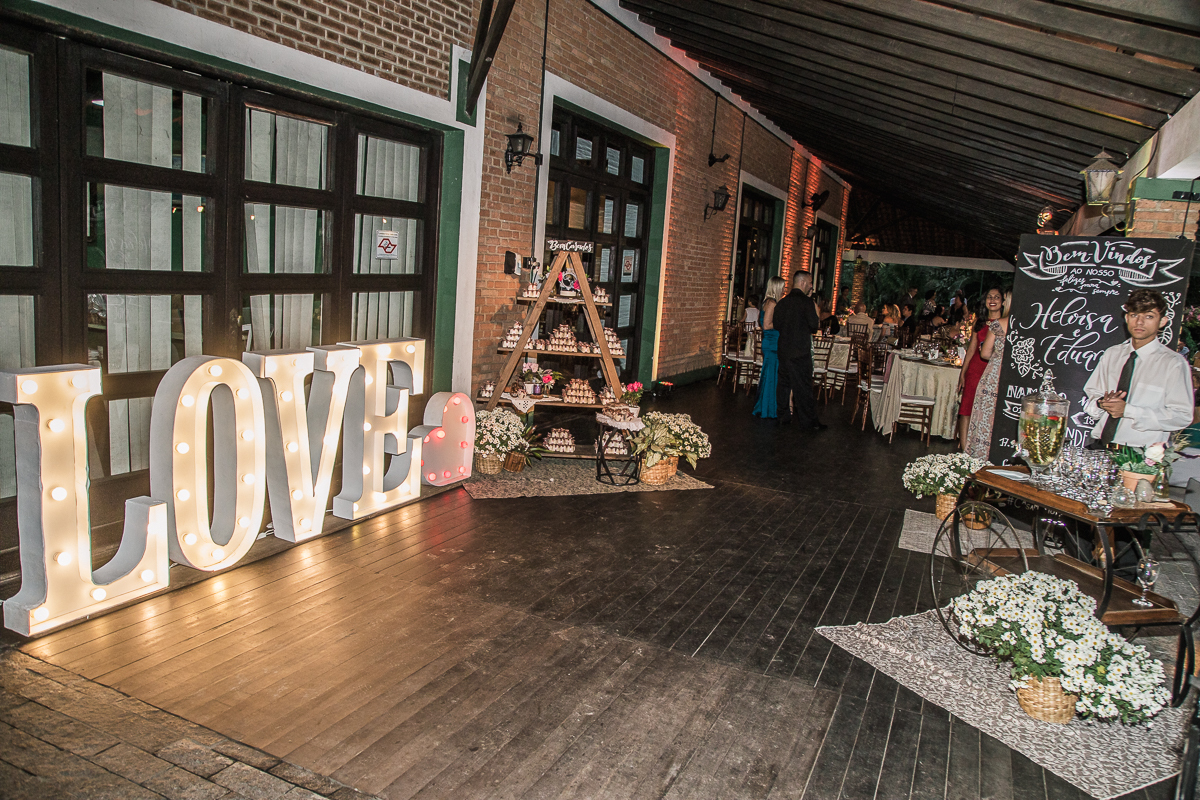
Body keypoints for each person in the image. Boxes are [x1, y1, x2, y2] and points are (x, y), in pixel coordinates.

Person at [1083, 289, 1194, 448]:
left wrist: (1128, 411)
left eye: (1149, 316)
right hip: (1099, 447)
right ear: (1127, 318)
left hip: (1140, 456)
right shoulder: (1112, 354)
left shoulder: (1173, 363)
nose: (1140, 322)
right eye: (1134, 315)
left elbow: (1182, 416)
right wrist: (1102, 403)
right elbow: (1093, 396)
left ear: (1162, 321)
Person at [773, 271, 825, 429]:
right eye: (810, 282)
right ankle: (808, 422)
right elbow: (814, 326)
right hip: (800, 351)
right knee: (803, 387)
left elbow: (777, 325)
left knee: (783, 385)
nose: (811, 286)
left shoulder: (782, 303)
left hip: (784, 350)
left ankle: (783, 416)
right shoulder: (807, 303)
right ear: (802, 283)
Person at [957, 287, 1006, 451]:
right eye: (989, 297)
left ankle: (983, 449)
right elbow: (971, 349)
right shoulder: (979, 322)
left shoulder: (1006, 323)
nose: (993, 300)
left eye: (997, 297)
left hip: (993, 371)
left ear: (1003, 301)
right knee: (966, 409)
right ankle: (965, 450)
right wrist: (962, 374)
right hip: (975, 369)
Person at [966, 290, 1012, 459]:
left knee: (985, 416)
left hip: (994, 374)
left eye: (1004, 299)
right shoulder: (1029, 325)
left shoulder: (998, 325)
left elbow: (984, 354)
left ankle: (979, 457)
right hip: (1012, 376)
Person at [753, 278, 786, 419]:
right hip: (772, 343)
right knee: (771, 376)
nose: (784, 290)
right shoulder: (772, 303)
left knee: (769, 375)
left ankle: (766, 406)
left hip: (771, 342)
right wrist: (783, 322)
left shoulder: (768, 302)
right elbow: (766, 325)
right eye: (783, 287)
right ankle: (768, 409)